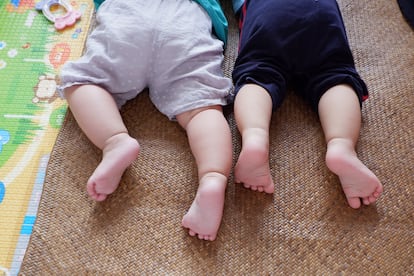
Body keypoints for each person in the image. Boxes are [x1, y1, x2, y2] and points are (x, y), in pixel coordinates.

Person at [58, 0, 233, 241]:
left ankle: (115, 141)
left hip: (129, 17)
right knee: (201, 109)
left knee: (84, 82)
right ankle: (213, 177)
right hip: (186, 23)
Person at [230, 0, 383, 208]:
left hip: (269, 14)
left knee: (258, 74)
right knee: (333, 74)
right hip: (318, 10)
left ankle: (255, 137)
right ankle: (342, 145)